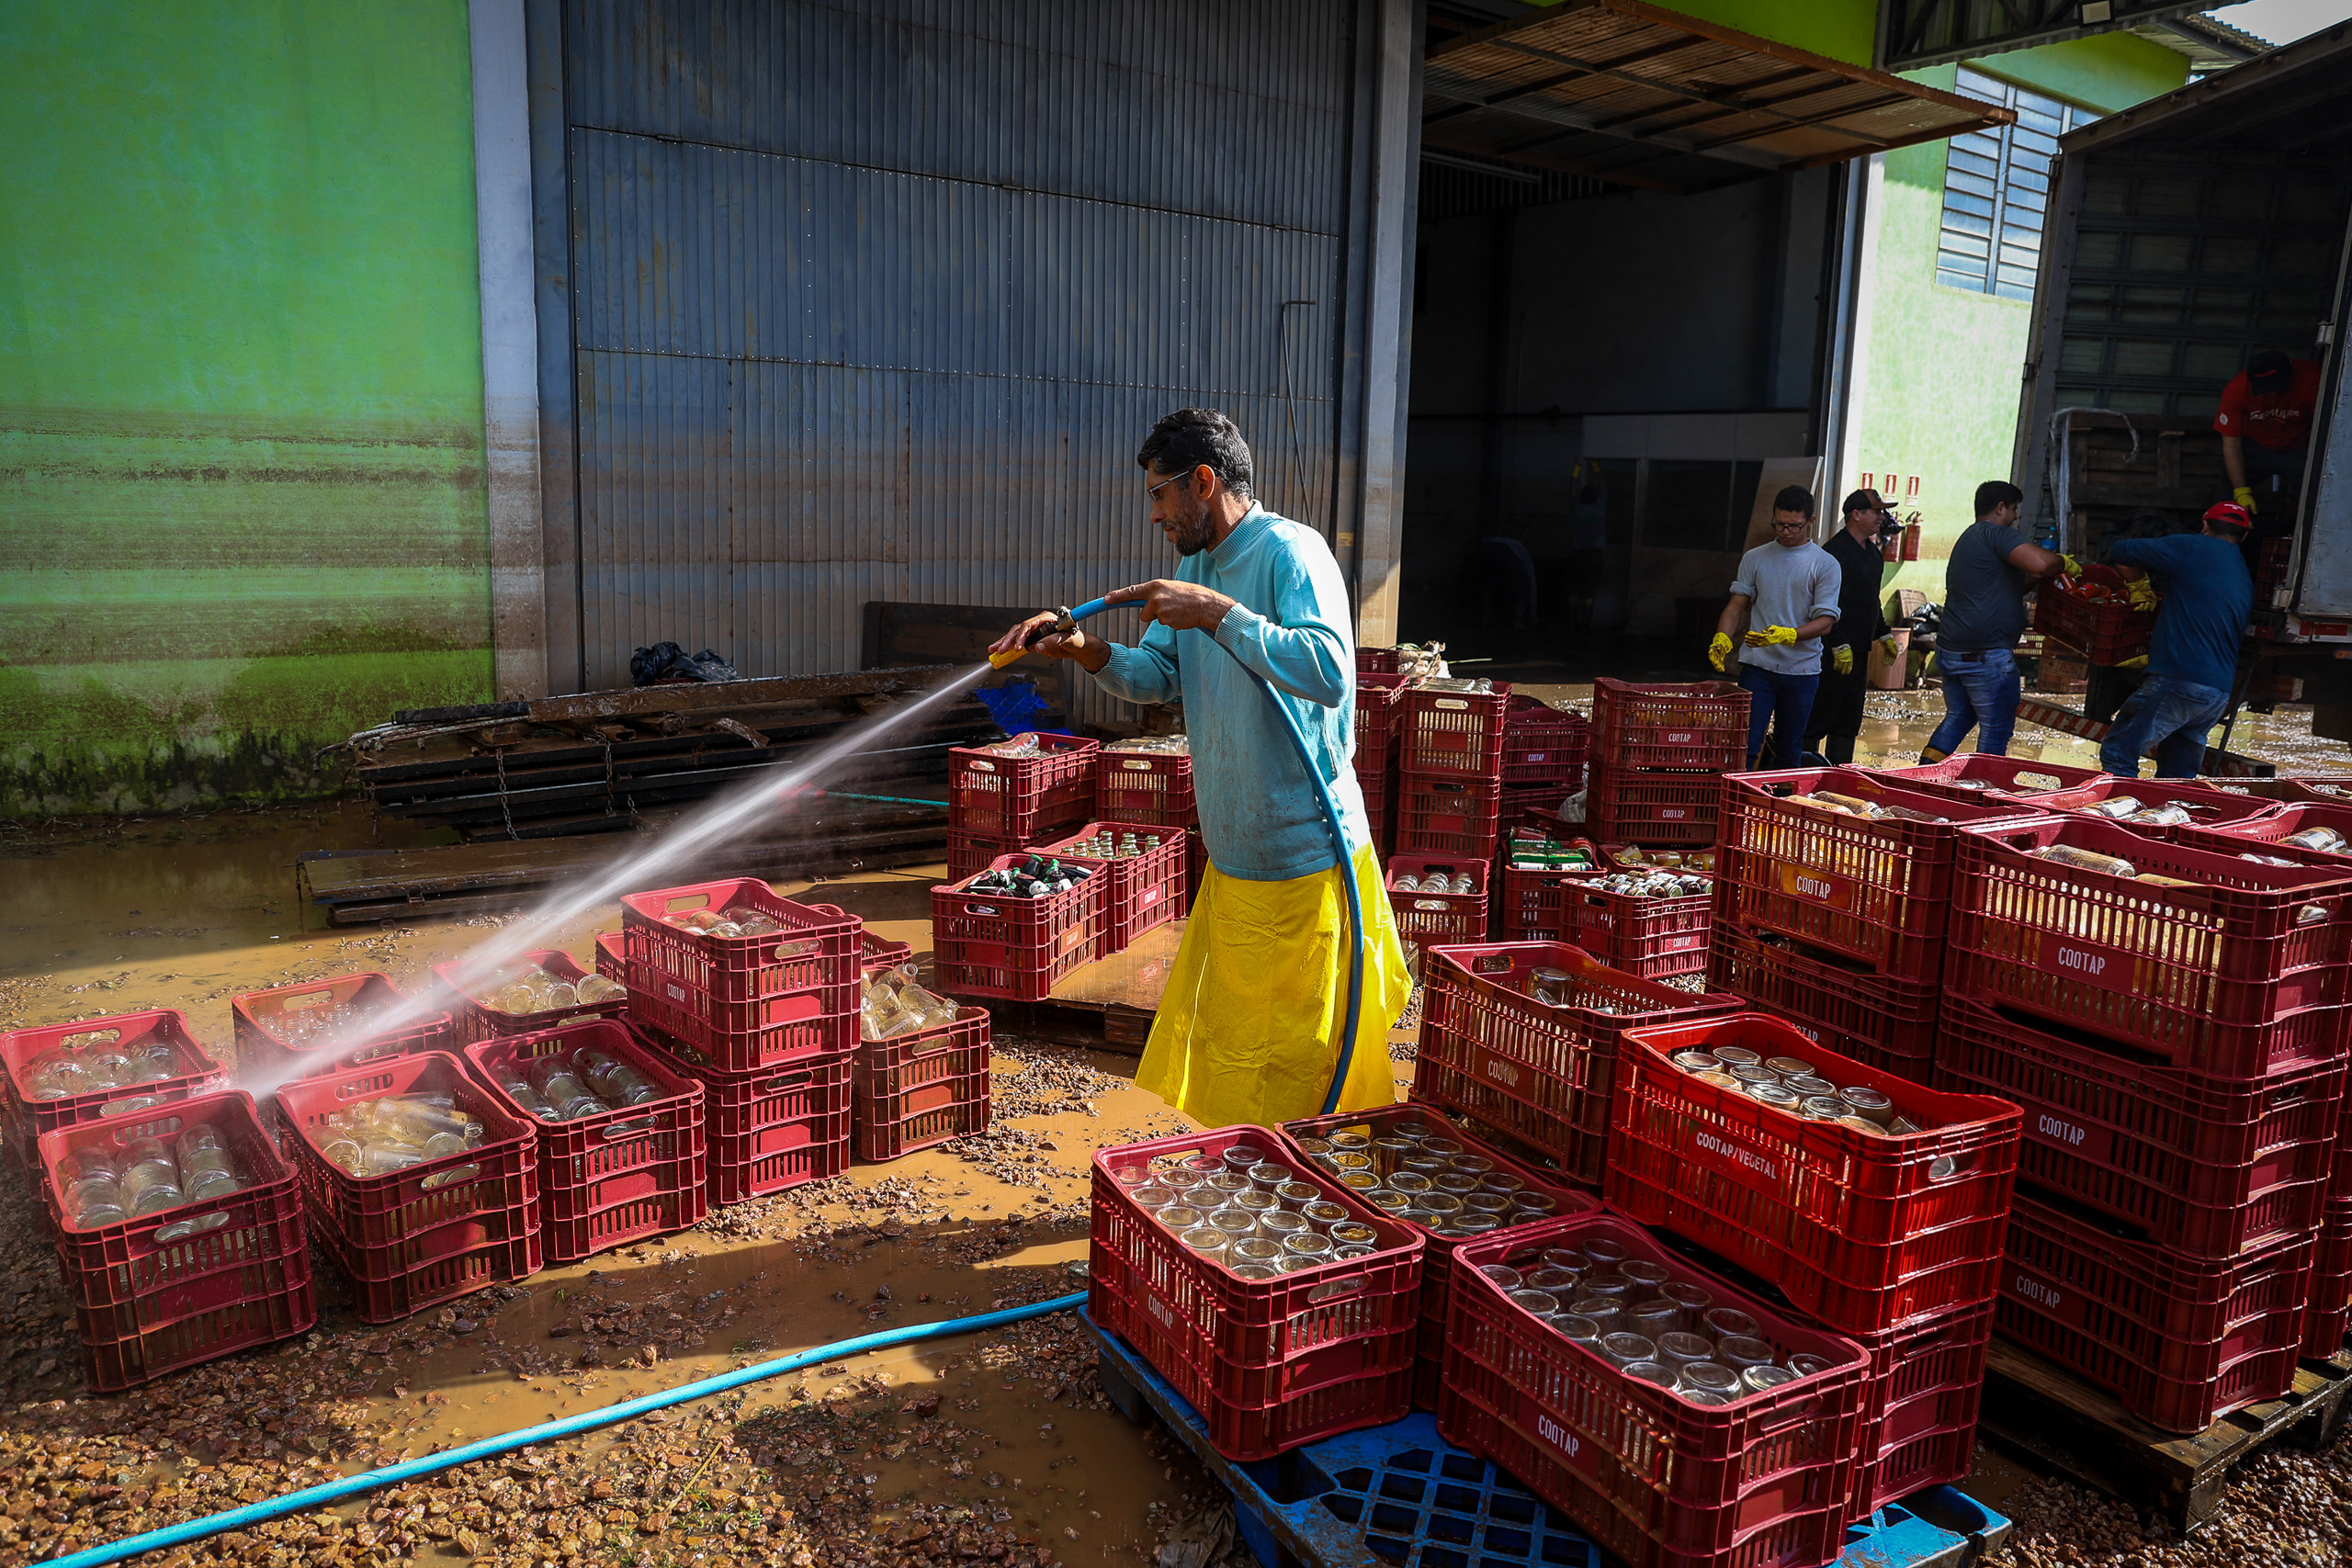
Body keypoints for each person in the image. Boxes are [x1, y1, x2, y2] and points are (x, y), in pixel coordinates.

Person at [987, 409, 1410, 1127]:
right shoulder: (1194, 566)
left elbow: (1332, 671)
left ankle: (1303, 1192)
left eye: (1160, 494)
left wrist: (1217, 611)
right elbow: (1156, 674)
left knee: (1303, 1061)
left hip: (1306, 863)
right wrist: (1086, 648)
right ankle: (1251, 1175)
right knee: (1238, 1055)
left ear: (1204, 482)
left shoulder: (1290, 554)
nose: (1154, 514)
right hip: (1237, 862)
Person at [2098, 502, 2255, 779]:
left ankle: (2116, 818)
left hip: (2178, 681)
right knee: (2178, 774)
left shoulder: (2193, 546)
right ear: (2243, 538)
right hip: (2216, 694)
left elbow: (2121, 551)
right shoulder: (2242, 569)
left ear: (2204, 526)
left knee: (2119, 751)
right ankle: (2169, 818)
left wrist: (2138, 588)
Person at [1918, 480, 2066, 762]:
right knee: (1996, 731)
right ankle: (1984, 794)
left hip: (1953, 650)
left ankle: (1922, 775)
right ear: (2000, 508)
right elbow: (2044, 563)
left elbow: (2009, 587)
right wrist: (2062, 563)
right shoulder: (1995, 534)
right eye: (2013, 510)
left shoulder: (1970, 538)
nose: (2014, 518)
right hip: (1984, 657)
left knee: (1959, 718)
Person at [1708, 485, 1839, 769]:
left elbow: (1826, 622)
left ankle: (1782, 802)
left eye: (1794, 525)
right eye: (1779, 524)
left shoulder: (1825, 564)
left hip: (1802, 671)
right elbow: (1736, 605)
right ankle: (1738, 804)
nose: (1785, 531)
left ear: (1811, 521)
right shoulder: (1755, 558)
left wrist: (1790, 634)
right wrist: (1722, 637)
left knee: (1790, 747)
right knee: (1745, 743)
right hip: (1758, 668)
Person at [1804, 488, 1903, 766]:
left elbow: (1870, 598)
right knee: (1818, 715)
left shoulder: (1872, 553)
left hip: (1858, 652)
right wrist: (1837, 641)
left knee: (1847, 720)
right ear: (1856, 514)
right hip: (1829, 652)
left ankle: (1837, 776)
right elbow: (1821, 603)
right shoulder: (1833, 553)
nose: (1882, 517)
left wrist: (1883, 632)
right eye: (1877, 511)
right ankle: (1801, 773)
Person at [2216, 349, 2321, 540]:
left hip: (2299, 447)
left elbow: (2325, 427)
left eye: (2276, 388)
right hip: (2255, 448)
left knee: (2316, 498)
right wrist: (2241, 491)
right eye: (2265, 390)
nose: (2272, 396)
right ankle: (2220, 546)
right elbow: (2231, 445)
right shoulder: (2237, 390)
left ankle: (2307, 543)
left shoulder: (2312, 379)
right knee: (2226, 497)